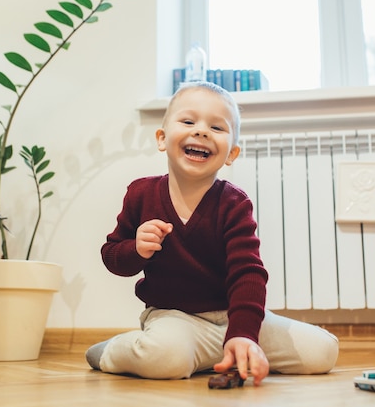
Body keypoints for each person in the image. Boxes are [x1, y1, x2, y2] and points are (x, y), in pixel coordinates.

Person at [86, 81, 338, 385]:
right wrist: (136, 249)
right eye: (189, 121)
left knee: (322, 352)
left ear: (231, 153)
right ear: (162, 138)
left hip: (232, 317)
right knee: (166, 357)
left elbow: (248, 273)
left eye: (216, 127)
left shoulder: (234, 203)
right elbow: (112, 257)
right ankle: (112, 352)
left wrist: (244, 334)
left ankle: (222, 352)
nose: (201, 131)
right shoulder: (141, 194)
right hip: (174, 318)